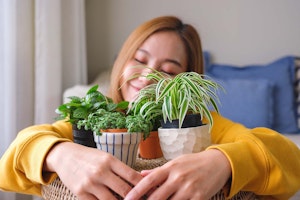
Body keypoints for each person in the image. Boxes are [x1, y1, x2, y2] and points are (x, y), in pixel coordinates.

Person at [1, 16, 300, 200]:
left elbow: (289, 160)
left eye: (168, 70)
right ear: (122, 61)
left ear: (186, 82)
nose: (147, 76)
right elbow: (12, 162)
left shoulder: (201, 126)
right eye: (140, 59)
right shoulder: (97, 115)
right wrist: (60, 153)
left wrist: (223, 162)